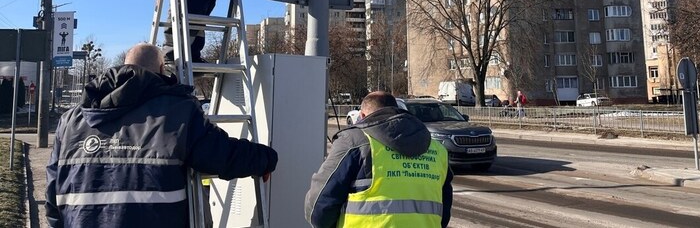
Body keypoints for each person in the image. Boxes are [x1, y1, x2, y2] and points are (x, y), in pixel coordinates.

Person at [45, 43, 278, 227]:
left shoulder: (71, 120)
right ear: (160, 70)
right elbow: (223, 154)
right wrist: (266, 158)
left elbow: (52, 197)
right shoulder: (177, 112)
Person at [305, 91, 453, 227]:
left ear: (362, 116)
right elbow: (444, 207)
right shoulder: (437, 149)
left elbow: (320, 205)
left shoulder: (355, 142)